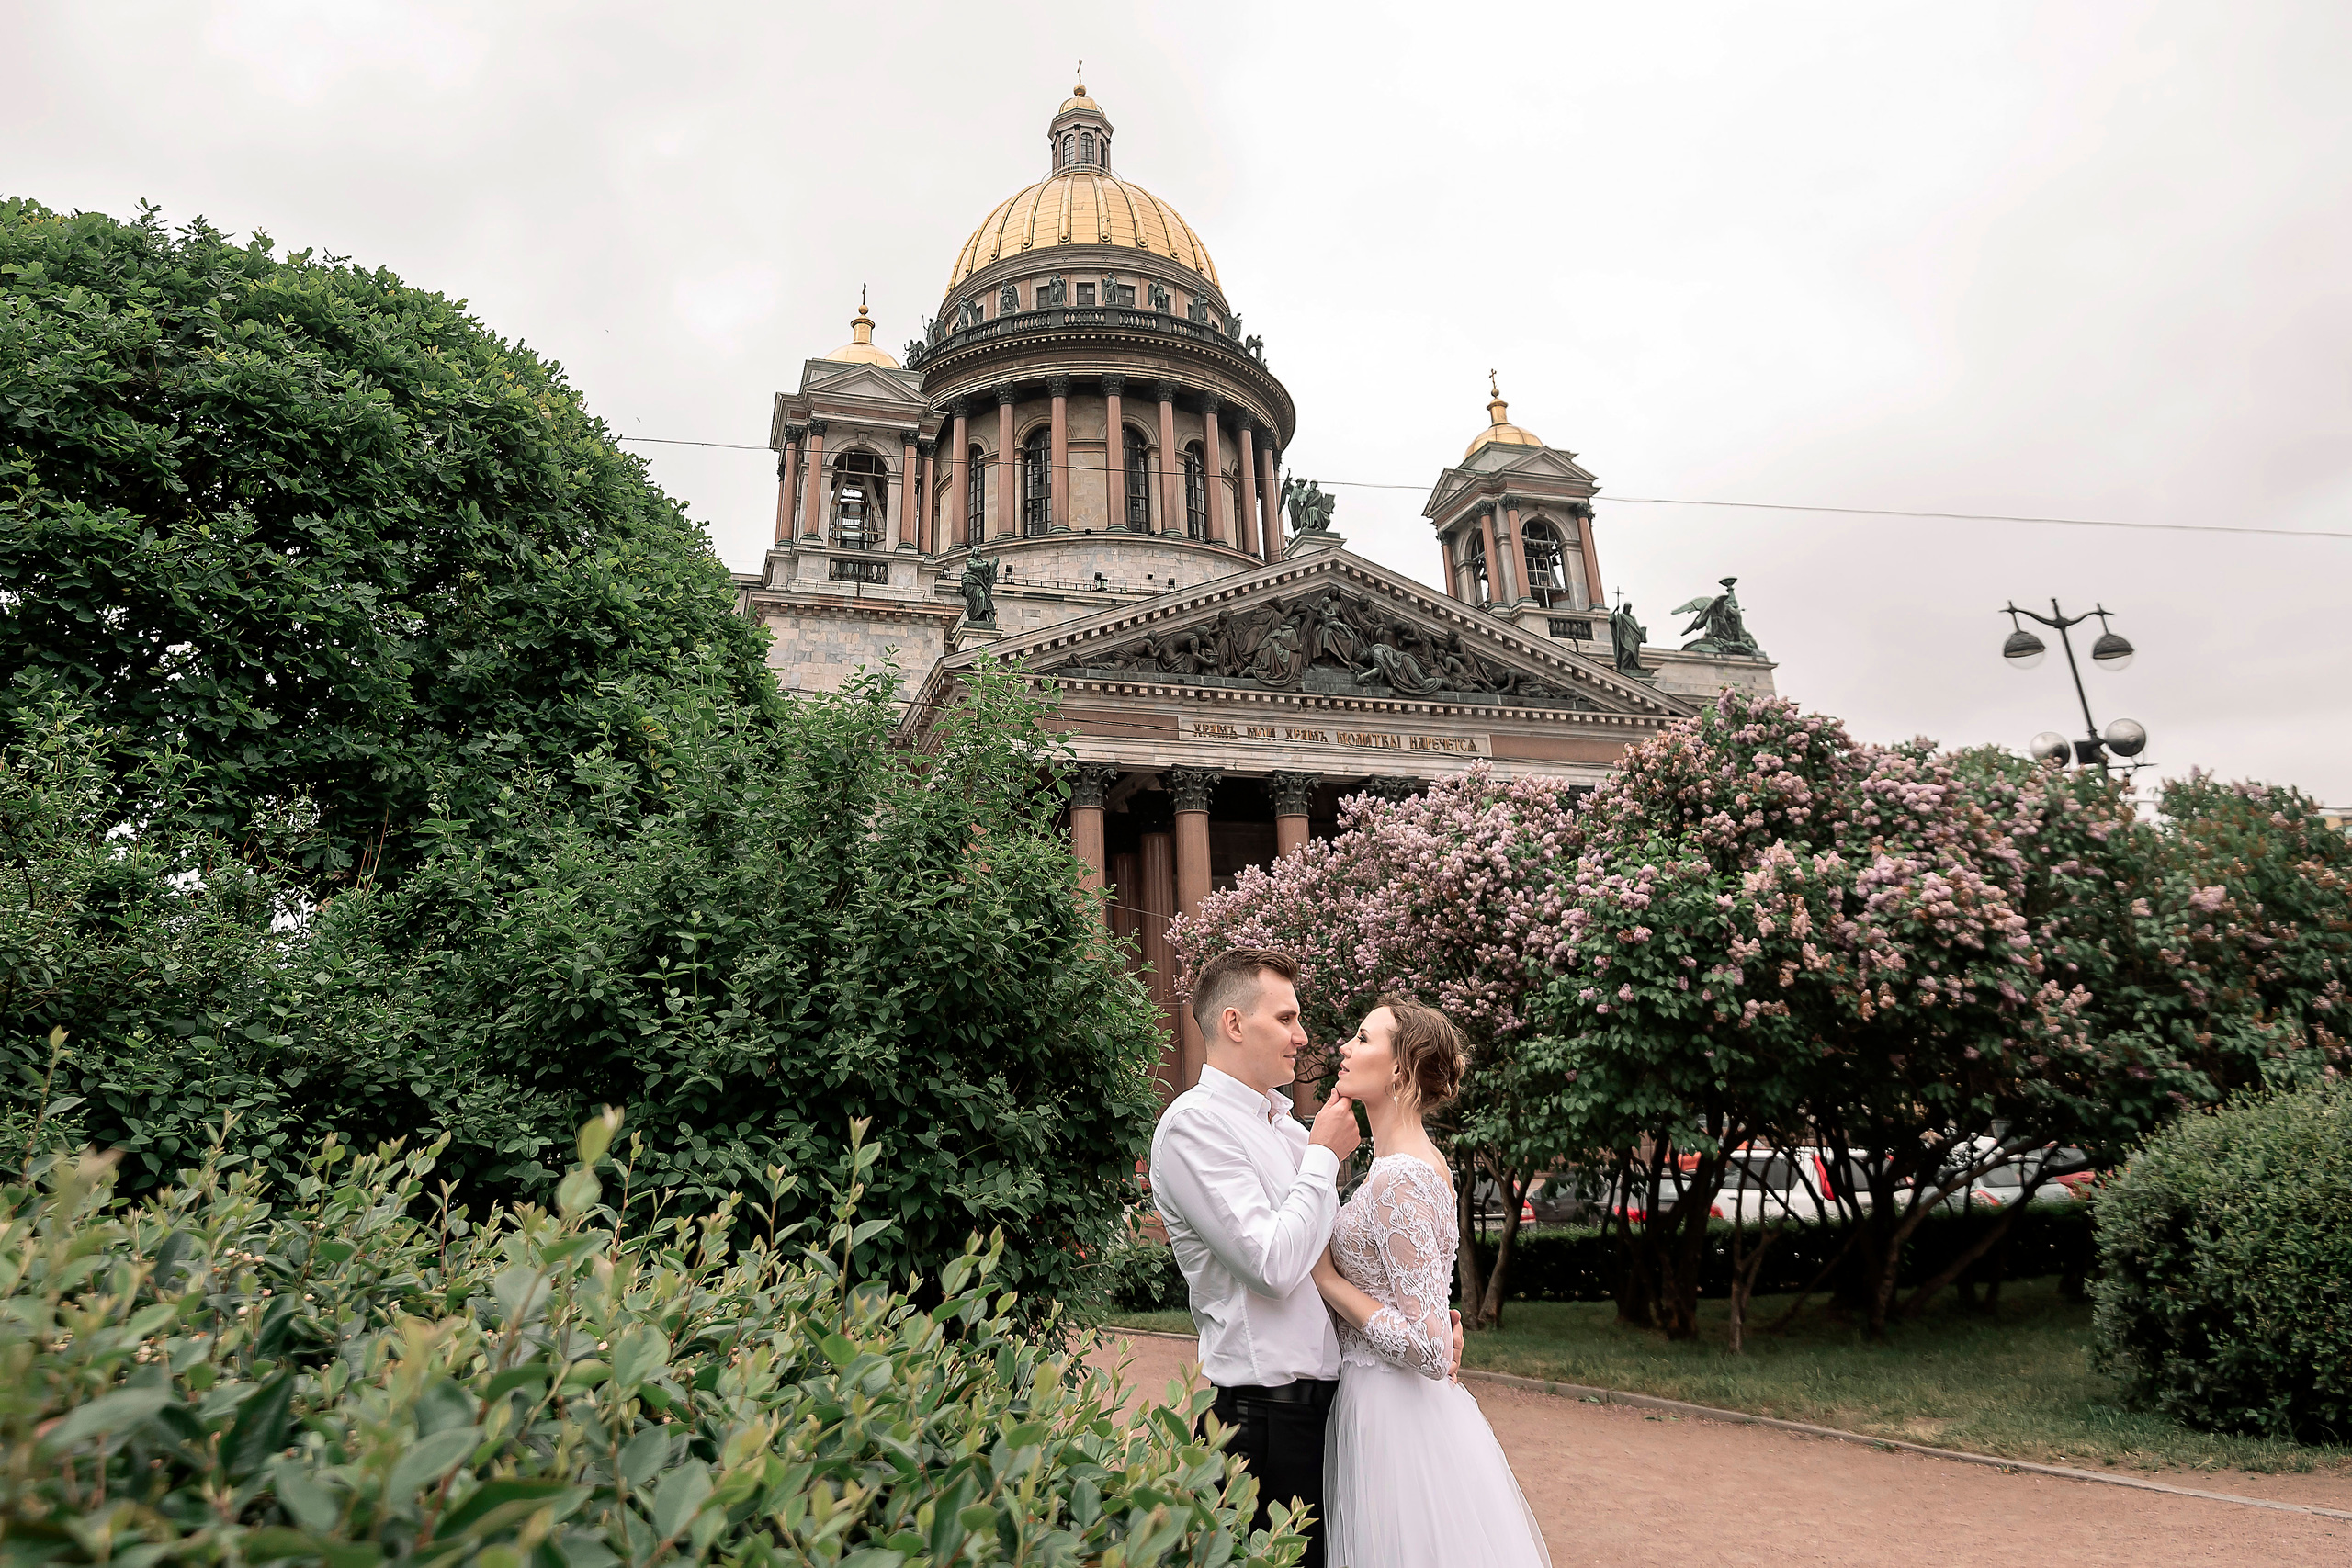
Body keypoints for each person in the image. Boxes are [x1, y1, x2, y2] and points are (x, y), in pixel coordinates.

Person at [1148, 949, 1460, 1567]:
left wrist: (1432, 1317)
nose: (1305, 1035)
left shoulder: (1294, 1133)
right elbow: (1271, 1264)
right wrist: (1323, 1160)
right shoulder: (1194, 1128)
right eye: (1287, 1018)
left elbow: (1350, 1266)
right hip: (1261, 1419)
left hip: (1340, 1412)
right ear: (1235, 1024)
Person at [1314, 997, 1552, 1568]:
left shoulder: (1404, 1174)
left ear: (1399, 1067)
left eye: (1363, 1038)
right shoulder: (1410, 1163)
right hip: (1384, 1398)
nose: (1344, 1048)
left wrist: (1324, 1278)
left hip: (1391, 1410)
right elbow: (1422, 1305)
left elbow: (1425, 1348)